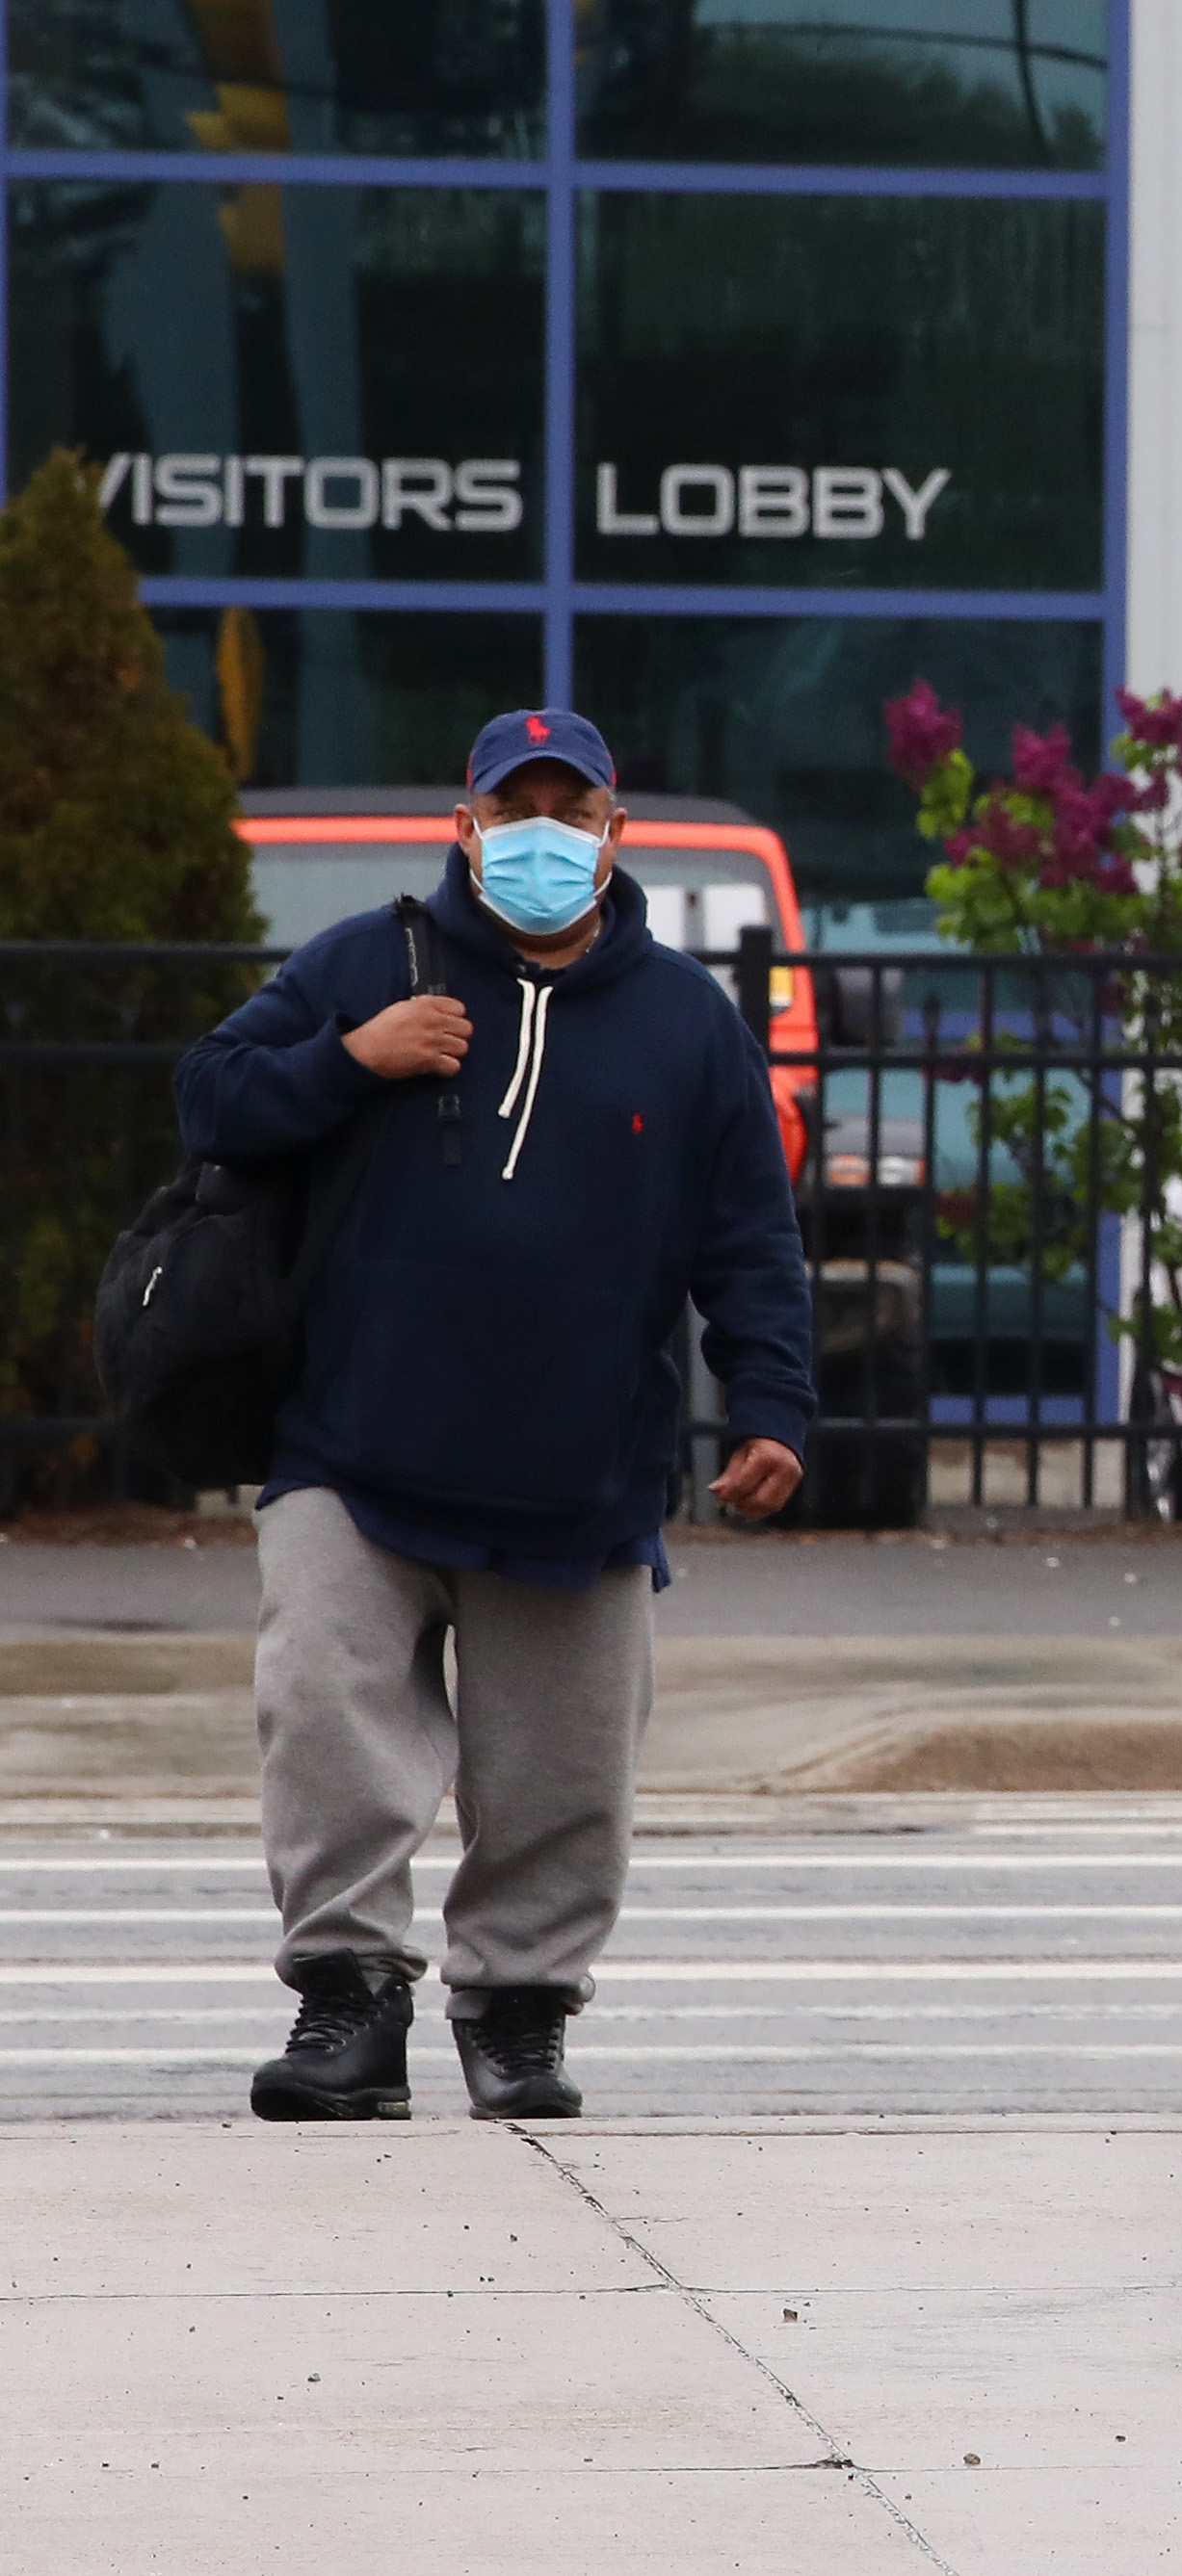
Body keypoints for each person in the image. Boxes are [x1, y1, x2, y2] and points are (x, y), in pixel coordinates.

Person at [176, 709, 815, 2122]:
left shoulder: (689, 1023)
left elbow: (750, 1239)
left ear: (611, 831)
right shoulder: (364, 963)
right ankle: (347, 2001)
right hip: (352, 1448)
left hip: (579, 1470)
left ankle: (518, 2015)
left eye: (567, 808)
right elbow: (210, 1097)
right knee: (328, 1718)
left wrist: (773, 1403)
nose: (540, 833)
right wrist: (356, 1057)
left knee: (565, 1772)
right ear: (465, 827)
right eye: (512, 807)